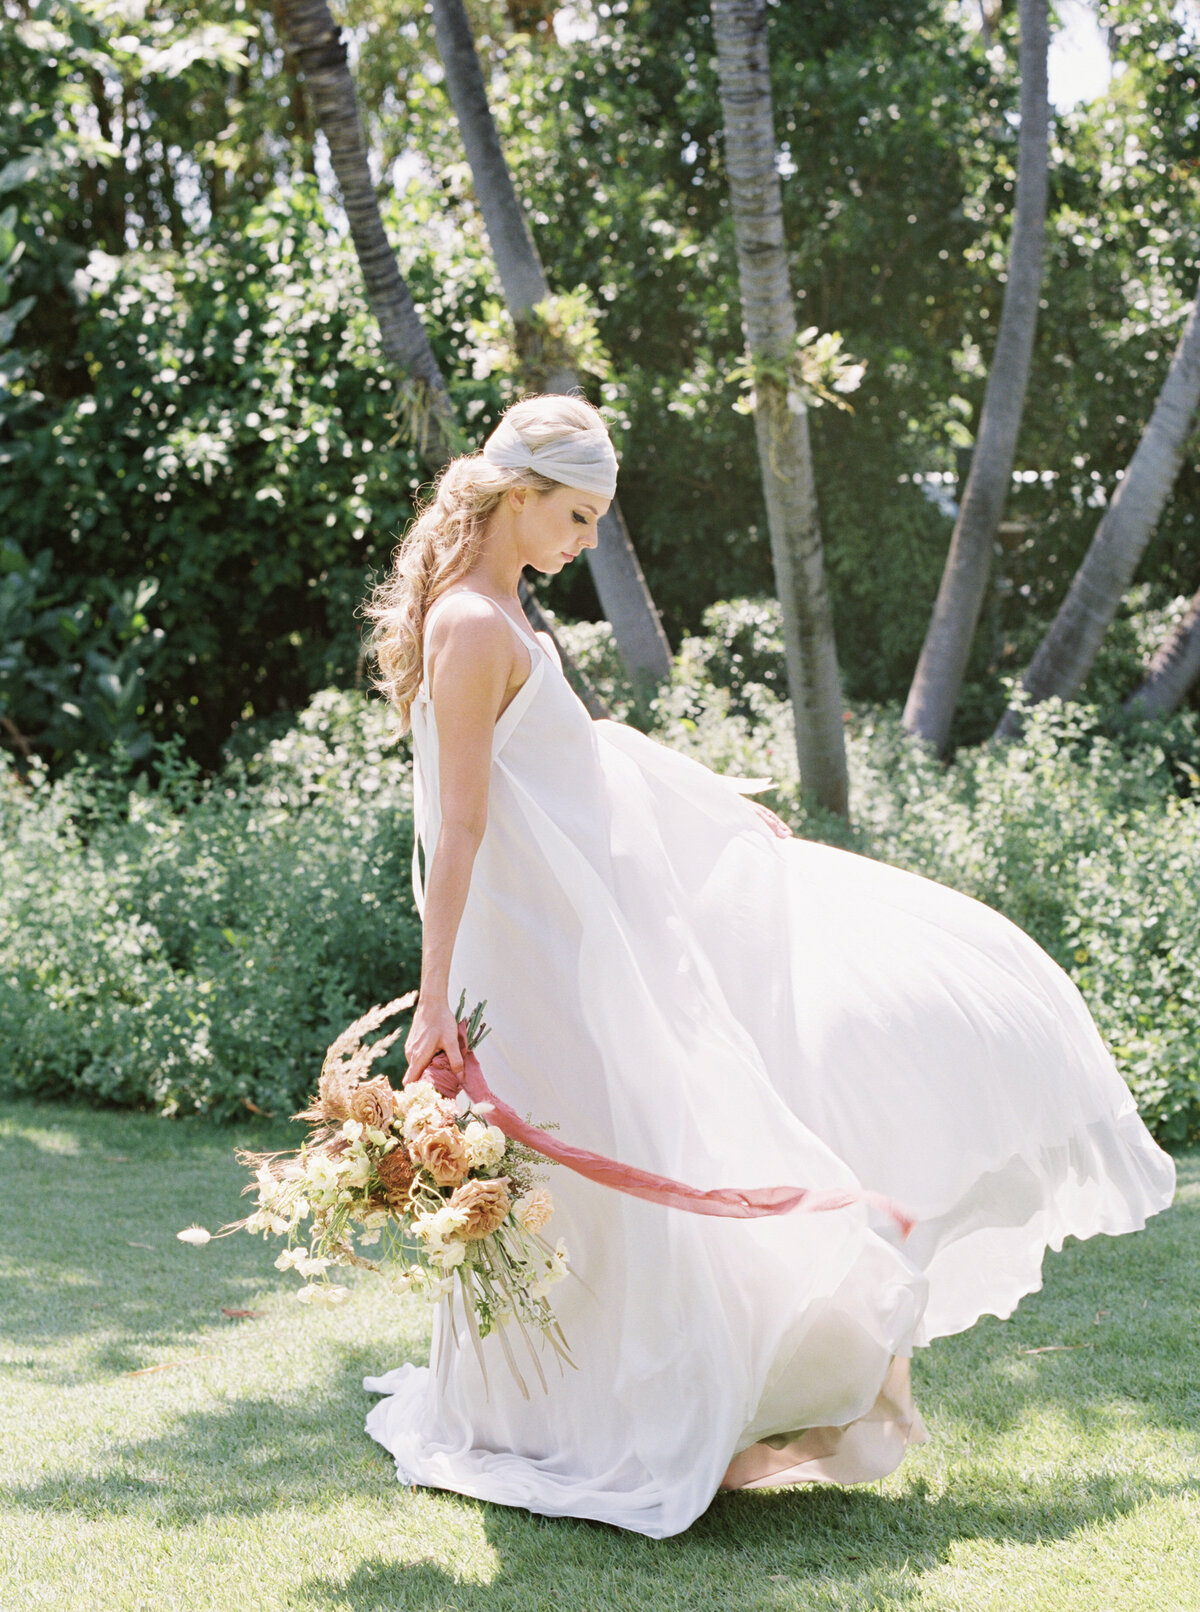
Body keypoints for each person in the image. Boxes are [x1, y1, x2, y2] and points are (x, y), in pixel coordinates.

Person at [360, 393, 1176, 1539]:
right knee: (580, 1168)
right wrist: (436, 996)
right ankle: (562, 1418)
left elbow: (584, 761)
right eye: (579, 515)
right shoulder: (474, 624)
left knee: (618, 1153)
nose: (586, 541)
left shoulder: (505, 615)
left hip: (572, 939)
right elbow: (462, 826)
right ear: (521, 496)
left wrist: (715, 817)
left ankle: (630, 1403)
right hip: (533, 946)